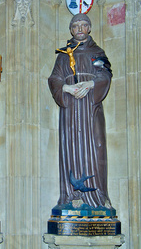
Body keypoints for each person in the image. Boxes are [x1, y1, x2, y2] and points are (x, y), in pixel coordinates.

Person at [48, 13, 113, 208]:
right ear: (71, 29)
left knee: (95, 148)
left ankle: (97, 196)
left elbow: (105, 75)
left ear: (89, 28)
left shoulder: (98, 52)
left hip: (90, 108)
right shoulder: (63, 54)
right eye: (75, 25)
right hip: (70, 109)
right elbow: (54, 79)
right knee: (71, 148)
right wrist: (66, 88)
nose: (79, 29)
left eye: (84, 25)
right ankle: (71, 195)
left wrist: (91, 84)